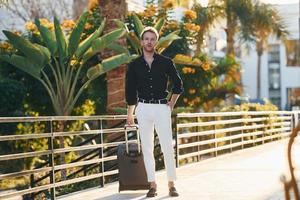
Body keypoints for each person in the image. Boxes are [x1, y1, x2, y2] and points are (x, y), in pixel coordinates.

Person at [125, 26, 183, 197]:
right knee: (147, 147)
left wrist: (171, 103)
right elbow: (130, 92)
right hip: (142, 109)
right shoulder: (134, 65)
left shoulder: (166, 62)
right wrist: (130, 114)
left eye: (152, 39)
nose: (149, 42)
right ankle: (152, 184)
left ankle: (171, 184)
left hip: (161, 108)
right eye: (146, 39)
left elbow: (178, 84)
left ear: (156, 42)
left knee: (167, 146)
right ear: (142, 42)